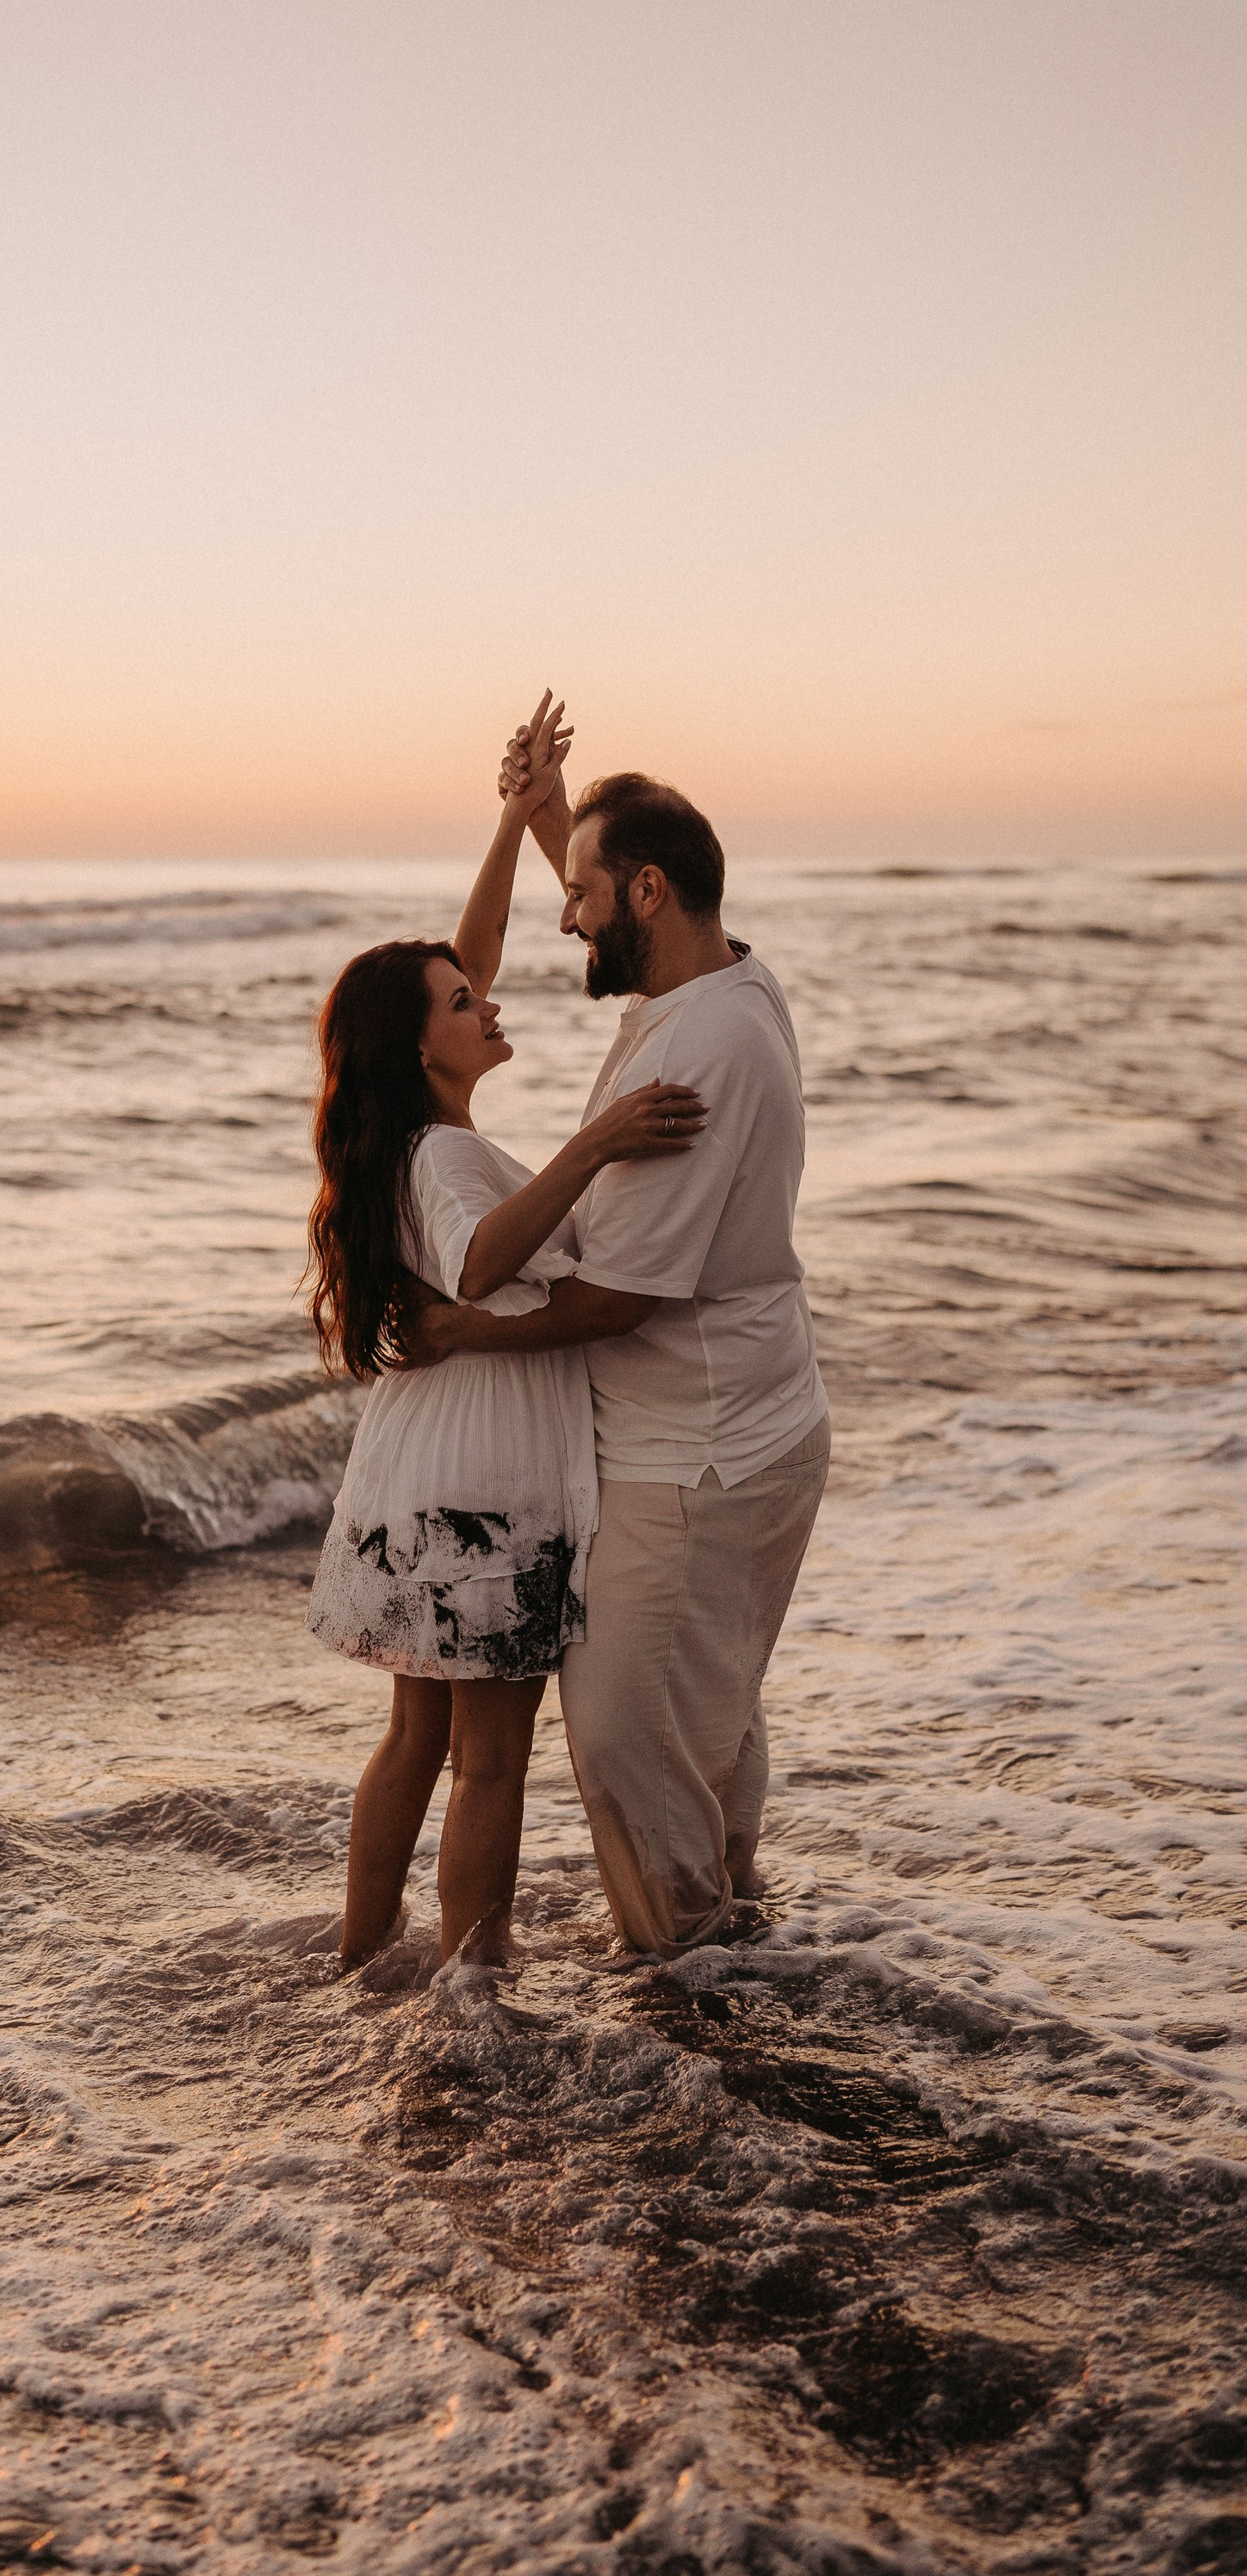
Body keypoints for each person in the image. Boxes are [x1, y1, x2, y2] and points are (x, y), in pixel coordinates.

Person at [412, 710, 830, 1952]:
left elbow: (618, 1299)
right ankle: (735, 1942)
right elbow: (627, 935)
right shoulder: (724, 979)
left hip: (690, 1458)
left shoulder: (698, 1049)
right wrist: (549, 821)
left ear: (649, 888)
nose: (566, 920)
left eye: (585, 894)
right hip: (754, 1426)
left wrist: (452, 1329)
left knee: (627, 1740)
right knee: (707, 1722)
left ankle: (693, 1998)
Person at [304, 701, 708, 1968]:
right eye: (462, 1003)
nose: (487, 998)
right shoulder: (449, 1156)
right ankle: (472, 1995)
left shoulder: (415, 1136)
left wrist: (508, 820)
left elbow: (450, 955)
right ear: (421, 1046)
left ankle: (363, 1959)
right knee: (488, 1765)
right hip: (485, 1484)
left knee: (416, 1743)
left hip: (423, 1468)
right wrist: (595, 1142)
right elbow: (484, 1265)